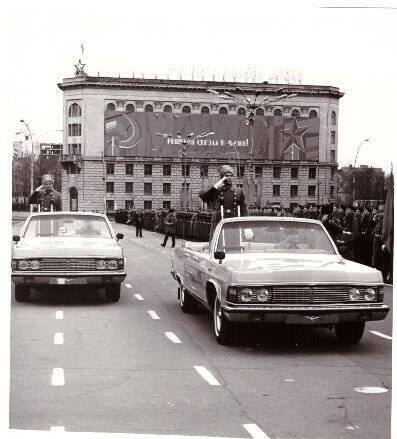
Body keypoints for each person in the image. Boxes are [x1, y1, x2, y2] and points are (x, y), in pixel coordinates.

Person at [199, 165, 247, 238]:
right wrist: (216, 186)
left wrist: (246, 227)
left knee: (233, 243)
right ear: (222, 177)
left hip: (233, 221)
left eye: (231, 175)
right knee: (219, 244)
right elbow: (204, 196)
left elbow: (244, 210)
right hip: (218, 222)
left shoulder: (238, 191)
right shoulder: (215, 191)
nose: (229, 177)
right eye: (226, 175)